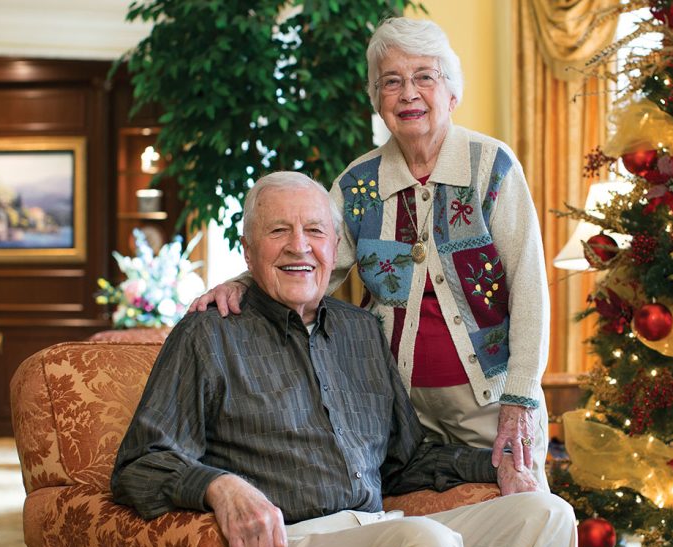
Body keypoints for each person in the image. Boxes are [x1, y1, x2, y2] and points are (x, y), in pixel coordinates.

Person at [111, 172, 577, 547]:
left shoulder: (360, 331)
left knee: (548, 518)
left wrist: (496, 465)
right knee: (423, 545)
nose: (300, 246)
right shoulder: (208, 335)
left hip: (382, 530)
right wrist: (219, 486)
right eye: (279, 231)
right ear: (248, 252)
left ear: (334, 249)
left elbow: (404, 461)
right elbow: (140, 464)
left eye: (314, 230)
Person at [191, 17, 552, 488]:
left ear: (452, 92)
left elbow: (528, 282)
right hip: (396, 407)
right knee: (421, 537)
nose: (408, 94)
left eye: (424, 76)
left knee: (519, 516)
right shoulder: (358, 184)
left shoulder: (491, 167)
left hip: (490, 400)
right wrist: (239, 284)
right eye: (391, 82)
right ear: (376, 100)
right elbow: (313, 260)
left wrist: (521, 399)